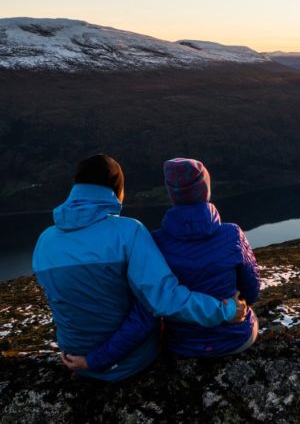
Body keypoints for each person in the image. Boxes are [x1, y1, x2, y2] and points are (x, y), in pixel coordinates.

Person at [32, 154, 246, 382]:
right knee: (148, 309)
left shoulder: (44, 241)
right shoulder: (127, 232)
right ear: (117, 190)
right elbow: (164, 300)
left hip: (75, 358)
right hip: (129, 362)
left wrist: (87, 360)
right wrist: (225, 311)